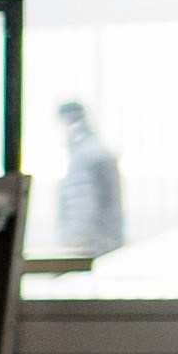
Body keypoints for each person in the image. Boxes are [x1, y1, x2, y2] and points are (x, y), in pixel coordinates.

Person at [47, 95, 124, 261]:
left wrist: (72, 251)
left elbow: (82, 209)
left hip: (93, 252)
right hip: (108, 247)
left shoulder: (85, 158)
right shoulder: (98, 152)